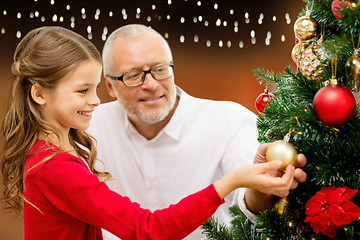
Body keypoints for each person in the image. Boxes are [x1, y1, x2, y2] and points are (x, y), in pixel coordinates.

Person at [0, 26, 298, 240]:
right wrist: (229, 182)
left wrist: (252, 183)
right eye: (82, 91)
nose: (94, 100)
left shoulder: (230, 120)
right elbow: (148, 230)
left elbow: (254, 217)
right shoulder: (59, 162)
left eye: (160, 69)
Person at [87, 24, 307, 239]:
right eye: (134, 75)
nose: (152, 84)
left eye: (160, 69)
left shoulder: (231, 121)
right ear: (109, 86)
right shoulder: (88, 128)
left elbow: (251, 210)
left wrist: (263, 186)